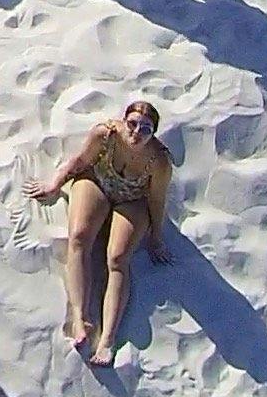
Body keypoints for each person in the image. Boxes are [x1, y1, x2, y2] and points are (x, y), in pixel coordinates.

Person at [26, 100, 175, 361]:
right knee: (80, 238)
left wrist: (157, 236)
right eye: (132, 124)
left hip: (132, 199)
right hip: (97, 182)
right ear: (123, 121)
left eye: (146, 129)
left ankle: (107, 339)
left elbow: (156, 199)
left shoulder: (158, 160)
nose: (136, 133)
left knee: (117, 258)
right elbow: (80, 161)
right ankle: (80, 318)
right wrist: (54, 184)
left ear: (153, 133)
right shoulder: (104, 134)